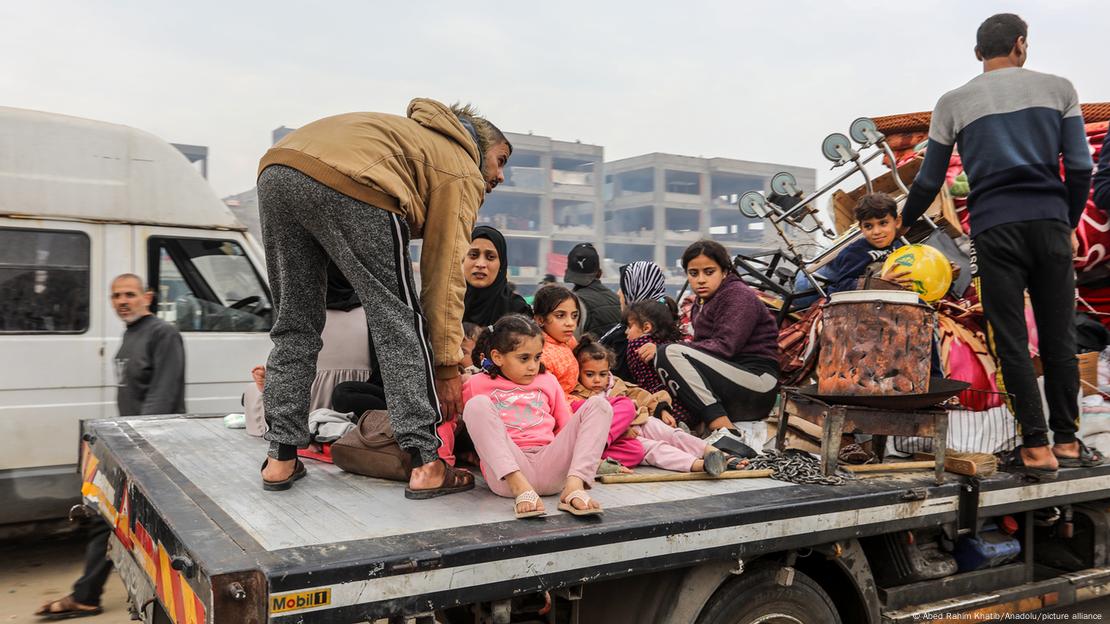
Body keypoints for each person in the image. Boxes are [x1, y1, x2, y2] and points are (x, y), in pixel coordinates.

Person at [255, 99, 511, 497]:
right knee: (397, 318)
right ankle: (427, 464)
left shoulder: (413, 141)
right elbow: (443, 278)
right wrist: (446, 368)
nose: (499, 176)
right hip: (356, 184)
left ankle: (280, 458)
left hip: (278, 171)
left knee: (295, 322)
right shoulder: (461, 165)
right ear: (480, 143)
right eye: (500, 160)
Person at [899, 14, 1100, 478]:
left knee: (1011, 339)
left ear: (977, 54)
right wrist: (1066, 223)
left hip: (993, 229)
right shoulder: (1059, 89)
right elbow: (1083, 168)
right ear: (1021, 45)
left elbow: (929, 180)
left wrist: (903, 225)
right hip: (1050, 224)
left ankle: (1036, 449)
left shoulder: (953, 101)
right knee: (1059, 337)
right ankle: (1068, 442)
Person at [36, 274, 185, 620]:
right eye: (116, 295)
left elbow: (160, 399)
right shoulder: (131, 333)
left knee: (137, 526)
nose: (122, 301)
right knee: (112, 521)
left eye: (130, 294)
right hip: (134, 446)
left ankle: (97, 596)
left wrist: (135, 452)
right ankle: (87, 594)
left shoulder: (163, 334)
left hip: (153, 448)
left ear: (147, 297)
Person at [462, 315, 612, 518]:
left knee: (599, 405)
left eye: (537, 357)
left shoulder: (548, 380)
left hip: (551, 466)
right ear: (497, 357)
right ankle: (521, 488)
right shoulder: (476, 383)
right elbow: (476, 431)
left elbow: (566, 426)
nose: (532, 366)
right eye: (524, 358)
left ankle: (575, 486)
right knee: (476, 406)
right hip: (508, 476)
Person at [655, 240, 780, 434]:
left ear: (724, 271)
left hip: (757, 384)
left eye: (709, 272)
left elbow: (725, 347)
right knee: (663, 357)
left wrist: (673, 348)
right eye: (693, 273)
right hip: (731, 379)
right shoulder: (702, 301)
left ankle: (725, 430)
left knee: (669, 352)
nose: (701, 280)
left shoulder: (738, 295)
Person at [570, 337, 731, 475]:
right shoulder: (577, 395)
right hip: (620, 436)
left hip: (640, 421)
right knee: (654, 449)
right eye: (590, 375)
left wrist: (661, 409)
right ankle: (698, 465)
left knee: (672, 434)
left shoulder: (615, 384)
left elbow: (641, 395)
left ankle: (711, 452)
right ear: (578, 372)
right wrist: (621, 430)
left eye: (602, 374)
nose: (597, 380)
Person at [623, 299, 693, 426]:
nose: (626, 333)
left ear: (646, 327)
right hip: (686, 405)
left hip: (660, 404)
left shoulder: (637, 345)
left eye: (629, 327)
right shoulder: (671, 343)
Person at [826, 193, 911, 294]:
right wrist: (880, 283)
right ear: (861, 228)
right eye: (868, 226)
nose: (876, 232)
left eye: (883, 223)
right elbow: (843, 286)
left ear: (897, 222)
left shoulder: (898, 246)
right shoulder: (855, 252)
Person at [599, 260, 668, 380]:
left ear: (634, 290)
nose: (618, 293)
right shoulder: (665, 323)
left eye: (623, 288)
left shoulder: (630, 336)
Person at [463, 225, 532, 327]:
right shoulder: (445, 303)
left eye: (490, 257)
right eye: (473, 255)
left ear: (501, 265)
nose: (480, 264)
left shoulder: (518, 311)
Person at [533, 284, 582, 396]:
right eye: (560, 316)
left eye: (574, 316)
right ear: (540, 320)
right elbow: (546, 394)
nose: (570, 323)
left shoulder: (570, 341)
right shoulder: (539, 353)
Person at [564, 243, 621, 336]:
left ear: (568, 273)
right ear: (600, 273)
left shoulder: (572, 303)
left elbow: (571, 341)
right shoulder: (618, 300)